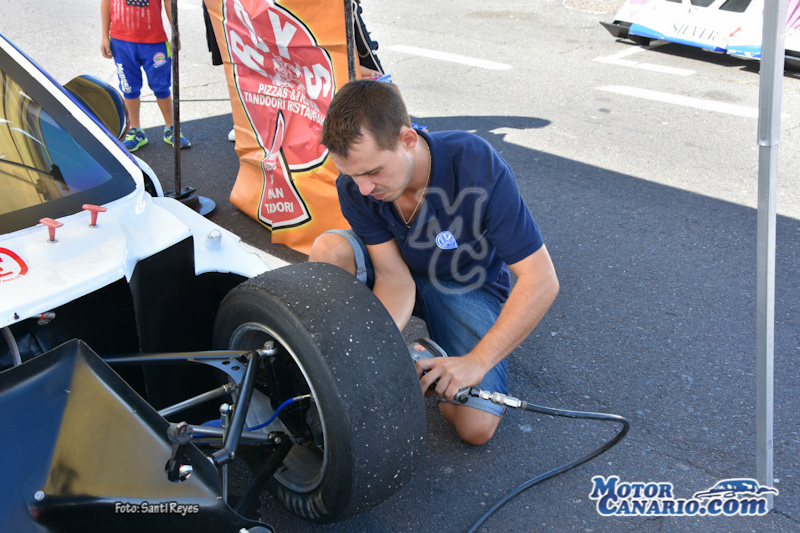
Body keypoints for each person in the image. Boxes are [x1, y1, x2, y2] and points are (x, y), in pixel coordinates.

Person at [309, 80, 559, 445]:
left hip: (464, 284)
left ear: (408, 140)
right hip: (403, 271)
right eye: (353, 175)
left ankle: (440, 362)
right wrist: (371, 346)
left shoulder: (475, 163)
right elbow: (393, 277)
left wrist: (475, 362)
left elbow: (542, 279)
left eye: (373, 171)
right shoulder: (357, 186)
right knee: (331, 249)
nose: (363, 188)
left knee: (476, 427)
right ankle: (337, 362)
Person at [100, 0, 190, 152]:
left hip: (154, 42)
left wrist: (175, 32)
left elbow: (169, 3)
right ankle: (135, 130)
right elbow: (106, 2)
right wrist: (104, 36)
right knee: (129, 88)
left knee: (161, 87)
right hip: (121, 42)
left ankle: (171, 128)